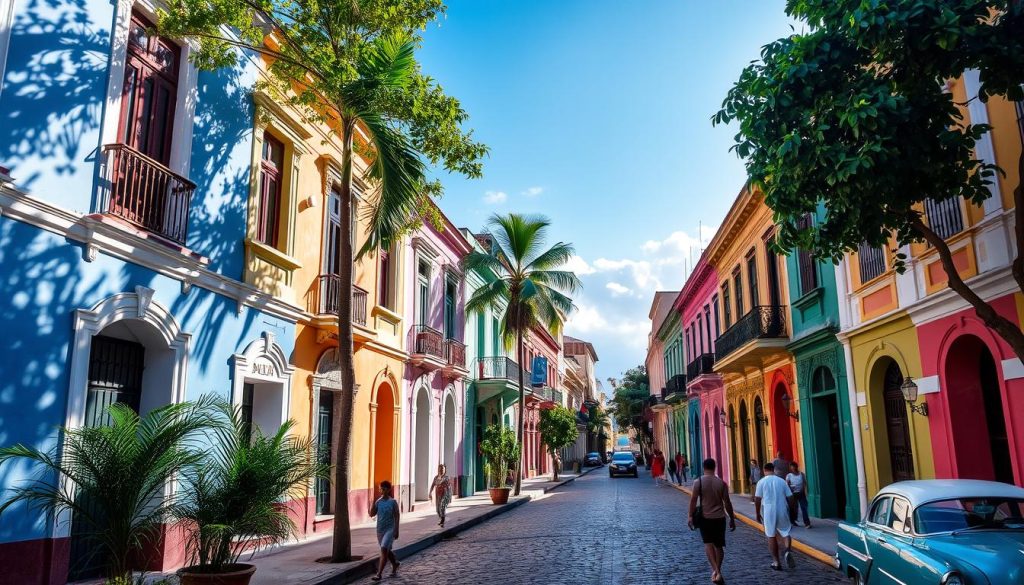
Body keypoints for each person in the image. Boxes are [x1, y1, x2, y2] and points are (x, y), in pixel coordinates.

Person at [688, 458, 736, 585]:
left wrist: (690, 516)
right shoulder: (721, 483)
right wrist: (732, 518)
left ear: (704, 467)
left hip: (705, 518)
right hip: (720, 518)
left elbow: (693, 500)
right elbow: (727, 502)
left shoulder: (698, 482)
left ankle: (716, 571)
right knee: (719, 546)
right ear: (715, 467)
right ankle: (718, 571)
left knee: (708, 544)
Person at [754, 462, 796, 571]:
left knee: (771, 535)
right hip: (782, 509)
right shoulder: (781, 481)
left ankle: (776, 562)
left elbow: (757, 499)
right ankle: (787, 550)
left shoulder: (761, 482)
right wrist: (792, 511)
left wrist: (757, 513)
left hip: (768, 510)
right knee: (785, 532)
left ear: (764, 470)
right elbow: (791, 498)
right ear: (774, 469)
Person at [369, 480, 400, 581]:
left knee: (383, 549)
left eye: (384, 489)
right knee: (386, 549)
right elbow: (372, 514)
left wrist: (396, 529)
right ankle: (395, 563)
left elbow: (396, 516)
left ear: (388, 489)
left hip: (390, 529)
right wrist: (373, 502)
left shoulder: (393, 502)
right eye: (381, 489)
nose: (382, 490)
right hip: (380, 530)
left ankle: (379, 573)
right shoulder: (378, 502)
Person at [786, 462, 811, 528]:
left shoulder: (801, 474)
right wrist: (790, 489)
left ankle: (807, 523)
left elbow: (805, 483)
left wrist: (804, 490)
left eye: (793, 466)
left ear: (796, 467)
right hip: (793, 494)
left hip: (801, 493)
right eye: (791, 466)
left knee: (804, 508)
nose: (792, 468)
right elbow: (787, 485)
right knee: (793, 508)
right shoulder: (789, 475)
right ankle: (792, 521)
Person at [430, 463, 453, 528]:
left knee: (442, 506)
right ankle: (441, 517)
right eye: (440, 469)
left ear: (445, 470)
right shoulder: (436, 478)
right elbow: (433, 485)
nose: (442, 470)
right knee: (437, 509)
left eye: (443, 469)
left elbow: (450, 487)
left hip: (445, 494)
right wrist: (430, 493)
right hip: (438, 494)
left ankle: (442, 520)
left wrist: (450, 496)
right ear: (438, 469)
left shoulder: (446, 478)